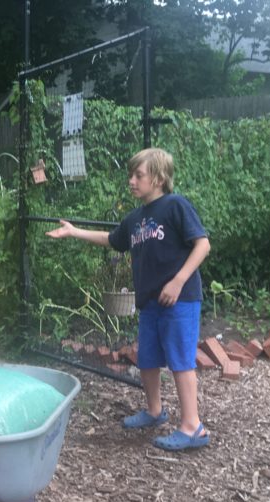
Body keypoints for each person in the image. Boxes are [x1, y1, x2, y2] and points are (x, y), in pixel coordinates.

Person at [47, 147, 211, 451]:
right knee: (148, 358)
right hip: (150, 302)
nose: (132, 181)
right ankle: (154, 411)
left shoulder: (176, 206)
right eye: (131, 175)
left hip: (180, 300)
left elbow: (202, 245)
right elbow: (112, 240)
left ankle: (193, 427)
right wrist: (73, 232)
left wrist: (177, 281)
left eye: (139, 175)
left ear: (159, 178)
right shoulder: (136, 218)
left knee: (180, 361)